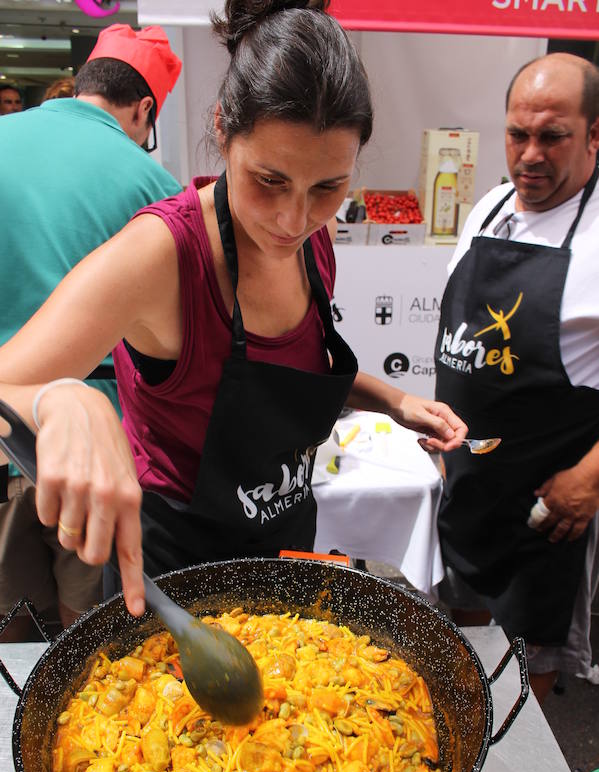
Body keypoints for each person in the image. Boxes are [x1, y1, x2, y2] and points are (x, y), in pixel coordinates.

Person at [0, 0, 467, 621]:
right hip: (175, 580)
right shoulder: (162, 253)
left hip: (284, 548)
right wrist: (60, 400)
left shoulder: (313, 242)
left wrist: (393, 401)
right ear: (222, 128)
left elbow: (284, 374)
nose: (293, 219)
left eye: (327, 187)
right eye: (269, 180)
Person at [0, 23, 182, 636]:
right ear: (144, 110)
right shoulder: (155, 190)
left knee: (11, 626)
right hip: (95, 461)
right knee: (91, 641)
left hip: (4, 433)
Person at [434, 52, 599, 703]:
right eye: (516, 134)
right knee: (462, 663)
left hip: (543, 516)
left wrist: (589, 476)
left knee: (520, 694)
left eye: (551, 136)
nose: (529, 154)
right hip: (468, 492)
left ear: (592, 135)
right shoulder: (489, 209)